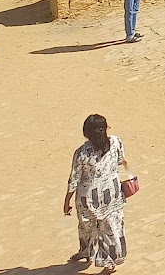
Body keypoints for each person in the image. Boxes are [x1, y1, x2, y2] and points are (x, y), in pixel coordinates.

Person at [64, 113, 130, 273]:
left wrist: (66, 201)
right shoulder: (115, 142)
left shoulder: (81, 153)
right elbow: (121, 160)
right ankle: (107, 260)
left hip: (89, 199)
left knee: (87, 226)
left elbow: (74, 179)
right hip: (112, 195)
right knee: (111, 227)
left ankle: (89, 252)